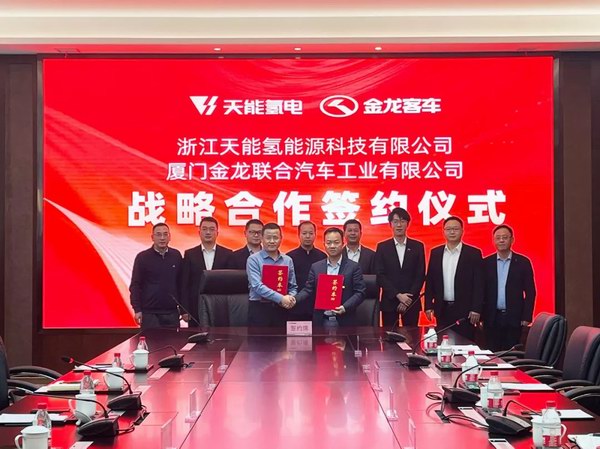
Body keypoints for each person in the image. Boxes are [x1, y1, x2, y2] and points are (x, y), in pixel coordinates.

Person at [425, 216, 484, 339]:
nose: (452, 232)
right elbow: (430, 281)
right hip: (442, 309)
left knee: (464, 343)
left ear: (462, 231)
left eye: (456, 229)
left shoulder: (473, 253)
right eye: (448, 229)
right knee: (443, 342)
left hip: (465, 311)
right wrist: (428, 305)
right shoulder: (436, 252)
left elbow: (479, 283)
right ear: (443, 231)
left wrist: (476, 308)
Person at [295, 227, 365, 327]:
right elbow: (308, 289)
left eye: (336, 242)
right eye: (329, 243)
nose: (332, 246)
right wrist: (294, 299)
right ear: (324, 244)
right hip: (321, 320)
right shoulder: (316, 267)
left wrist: (345, 307)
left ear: (343, 243)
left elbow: (360, 292)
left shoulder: (353, 267)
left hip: (345, 320)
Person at [482, 225, 536, 351]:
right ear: (493, 241)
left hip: (514, 317)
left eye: (505, 237)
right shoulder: (486, 263)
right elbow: (481, 291)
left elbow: (530, 292)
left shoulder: (523, 262)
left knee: (511, 354)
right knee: (492, 354)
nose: (501, 240)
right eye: (498, 238)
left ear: (512, 240)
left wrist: (527, 316)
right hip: (491, 317)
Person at [375, 207, 426, 327]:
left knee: (412, 335)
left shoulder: (417, 246)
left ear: (407, 224)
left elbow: (420, 274)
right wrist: (398, 295)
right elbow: (380, 274)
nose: (399, 225)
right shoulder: (382, 247)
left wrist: (407, 298)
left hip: (411, 301)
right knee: (389, 335)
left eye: (402, 221)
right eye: (395, 221)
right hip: (390, 301)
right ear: (390, 224)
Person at [129, 223, 184, 329]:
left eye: (165, 234)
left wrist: (183, 310)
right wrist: (137, 309)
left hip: (172, 313)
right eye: (158, 234)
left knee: (173, 340)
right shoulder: (142, 257)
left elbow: (181, 284)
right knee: (151, 340)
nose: (162, 238)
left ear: (170, 237)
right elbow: (135, 285)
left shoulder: (176, 256)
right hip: (150, 314)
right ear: (152, 237)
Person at [181, 217, 233, 320]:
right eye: (204, 229)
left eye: (212, 229)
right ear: (199, 232)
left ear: (217, 233)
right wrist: (184, 310)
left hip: (220, 305)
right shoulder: (190, 254)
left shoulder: (227, 254)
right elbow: (185, 284)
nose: (208, 232)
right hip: (195, 306)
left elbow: (230, 284)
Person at [247, 223, 298, 326]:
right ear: (262, 238)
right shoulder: (253, 259)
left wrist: (291, 298)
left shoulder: (287, 260)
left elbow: (293, 286)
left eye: (275, 238)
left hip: (282, 308)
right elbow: (257, 286)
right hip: (260, 308)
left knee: (283, 336)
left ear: (281, 239)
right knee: (257, 337)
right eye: (268, 238)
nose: (272, 241)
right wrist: (281, 298)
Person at [286, 221, 327, 320]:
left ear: (315, 235)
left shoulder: (322, 256)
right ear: (298, 235)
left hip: (316, 306)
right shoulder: (289, 257)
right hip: (295, 305)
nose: (308, 236)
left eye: (311, 233)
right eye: (304, 233)